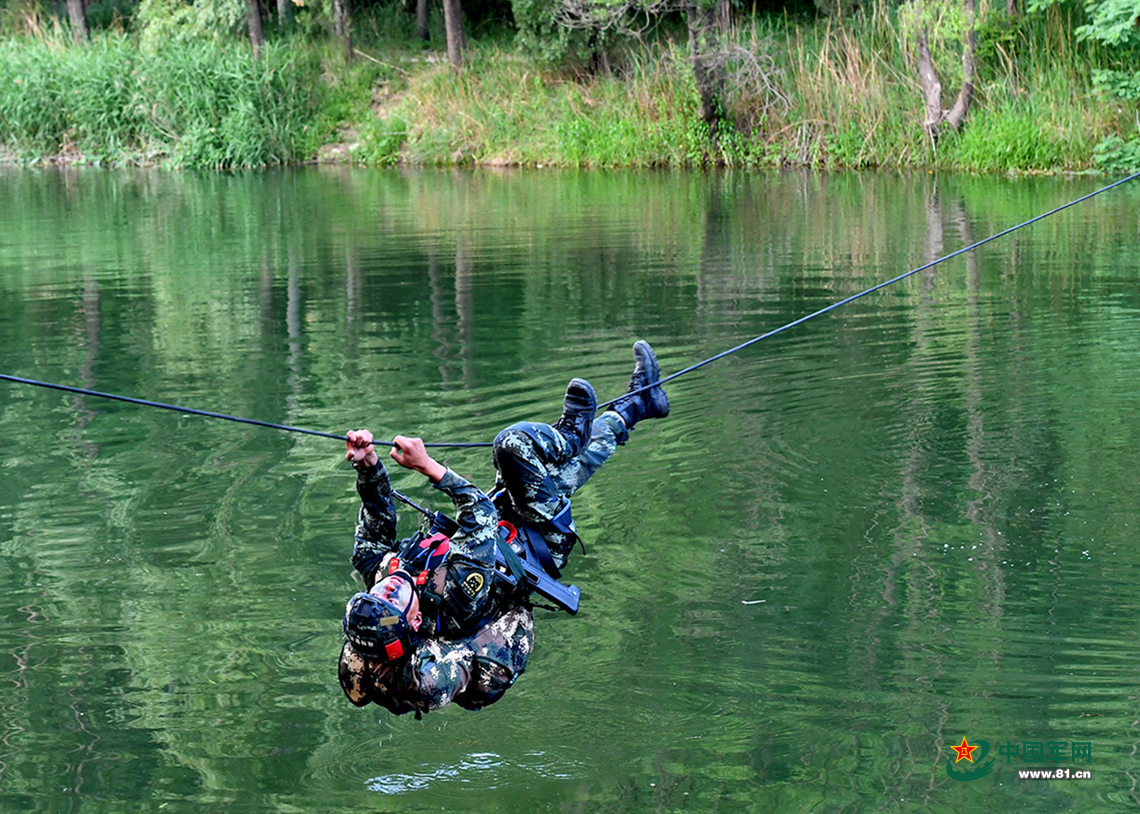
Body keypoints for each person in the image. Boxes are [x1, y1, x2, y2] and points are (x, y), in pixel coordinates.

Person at [337, 341, 670, 716]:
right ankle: (571, 436)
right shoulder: (456, 600)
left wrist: (368, 465)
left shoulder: (385, 592)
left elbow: (375, 528)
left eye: (379, 592)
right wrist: (430, 467)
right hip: (538, 544)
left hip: (499, 536)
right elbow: (478, 511)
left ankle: (639, 405)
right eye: (394, 600)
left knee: (560, 474)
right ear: (415, 621)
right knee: (514, 445)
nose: (389, 587)